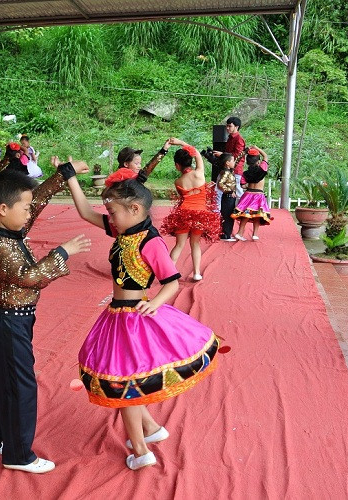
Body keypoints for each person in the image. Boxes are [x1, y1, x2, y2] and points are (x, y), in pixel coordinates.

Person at [64, 168, 220, 471]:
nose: (108, 217)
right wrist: (69, 175)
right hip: (116, 317)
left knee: (123, 384)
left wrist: (156, 304)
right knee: (125, 379)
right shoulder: (122, 230)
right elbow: (85, 212)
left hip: (135, 319)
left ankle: (140, 450)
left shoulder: (150, 241)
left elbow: (171, 282)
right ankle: (150, 429)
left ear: (134, 209)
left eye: (112, 211)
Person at [0, 162, 91, 474]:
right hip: (10, 323)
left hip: (13, 320)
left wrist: (64, 174)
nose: (29, 211)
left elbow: (35, 203)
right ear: (3, 208)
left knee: (2, 381)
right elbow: (30, 276)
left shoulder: (7, 226)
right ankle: (18, 454)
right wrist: (63, 252)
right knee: (21, 387)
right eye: (23, 206)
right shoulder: (1, 244)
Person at [160, 141, 221, 280]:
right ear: (191, 160)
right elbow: (197, 152)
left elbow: (183, 198)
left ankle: (168, 274)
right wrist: (180, 142)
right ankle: (197, 273)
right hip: (200, 214)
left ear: (177, 165)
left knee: (179, 245)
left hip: (184, 214)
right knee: (195, 243)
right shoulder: (199, 173)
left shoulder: (178, 182)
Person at [232, 146, 273, 241]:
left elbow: (242, 185)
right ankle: (255, 234)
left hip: (248, 195)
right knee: (257, 215)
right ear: (258, 161)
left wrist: (248, 185)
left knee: (246, 214)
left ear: (247, 162)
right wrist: (256, 148)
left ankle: (240, 232)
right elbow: (265, 156)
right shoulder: (262, 168)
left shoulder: (245, 173)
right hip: (259, 196)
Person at [214, 117, 247, 200]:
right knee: (218, 189)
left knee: (238, 190)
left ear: (236, 127)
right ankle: (216, 211)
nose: (227, 128)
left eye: (230, 126)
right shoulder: (230, 138)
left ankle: (244, 208)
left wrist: (222, 154)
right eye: (227, 126)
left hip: (235, 169)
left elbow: (237, 155)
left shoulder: (239, 139)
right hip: (226, 168)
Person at [216, 153, 238, 241]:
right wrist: (229, 190)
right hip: (227, 196)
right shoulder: (225, 172)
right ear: (227, 163)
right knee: (227, 215)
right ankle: (225, 234)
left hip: (230, 197)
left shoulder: (229, 171)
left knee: (229, 214)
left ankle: (227, 233)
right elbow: (220, 184)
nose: (234, 162)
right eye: (232, 161)